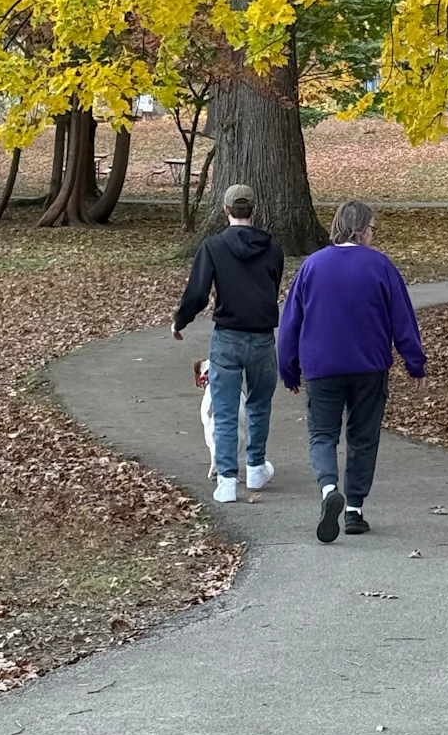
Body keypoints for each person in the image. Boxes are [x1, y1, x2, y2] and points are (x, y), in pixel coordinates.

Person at [278, 200, 426, 543]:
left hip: (322, 366)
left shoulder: (312, 267)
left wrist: (289, 368)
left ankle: (329, 488)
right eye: (372, 228)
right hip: (369, 366)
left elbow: (291, 323)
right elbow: (402, 320)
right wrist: (414, 361)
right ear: (361, 230)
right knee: (363, 436)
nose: (374, 235)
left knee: (322, 435)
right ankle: (355, 508)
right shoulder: (381, 267)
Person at [172, 184, 284, 504]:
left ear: (225, 210)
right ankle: (256, 466)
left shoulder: (213, 247)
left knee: (223, 410)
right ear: (254, 210)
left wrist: (180, 321)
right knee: (259, 404)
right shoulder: (274, 249)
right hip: (262, 337)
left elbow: (197, 294)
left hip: (227, 338)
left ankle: (226, 480)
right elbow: (272, 286)